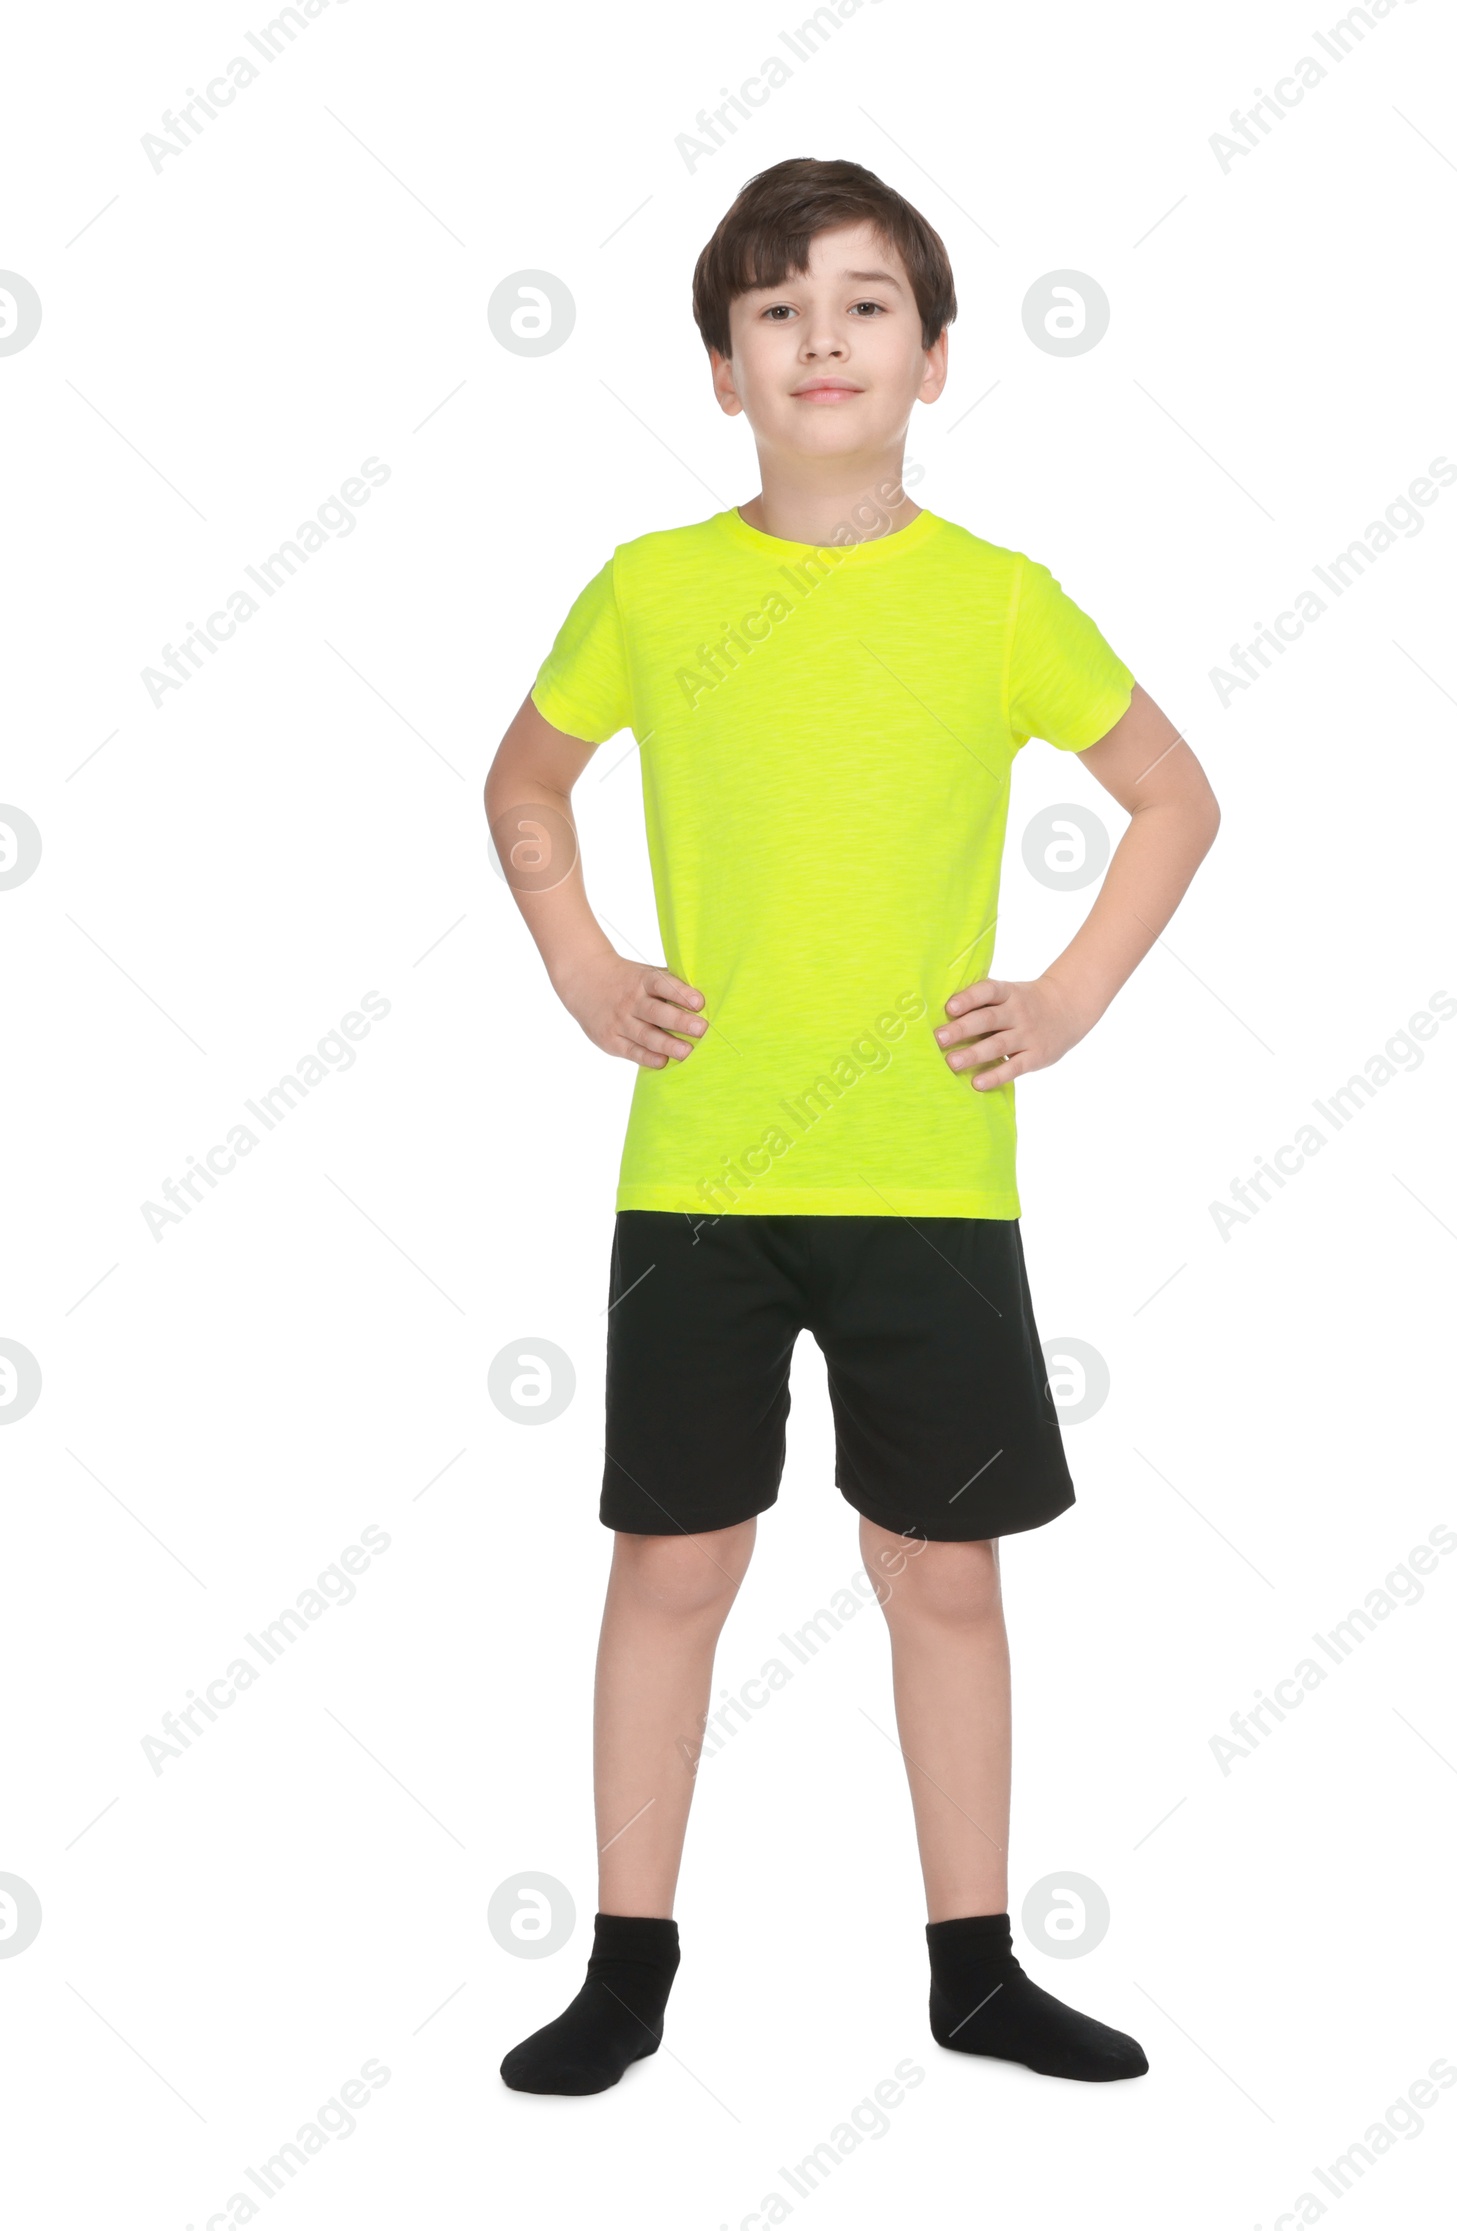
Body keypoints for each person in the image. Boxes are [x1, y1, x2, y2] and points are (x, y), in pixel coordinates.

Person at [485, 155, 1219, 2096]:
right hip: (702, 1176)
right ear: (722, 366)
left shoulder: (995, 604)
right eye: (777, 309)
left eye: (865, 303)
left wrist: (1059, 999)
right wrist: (578, 962)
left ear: (935, 354)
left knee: (944, 1571)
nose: (822, 337)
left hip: (926, 1178)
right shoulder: (651, 590)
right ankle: (626, 1965)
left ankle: (972, 1969)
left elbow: (1171, 797)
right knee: (668, 1564)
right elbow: (525, 784)